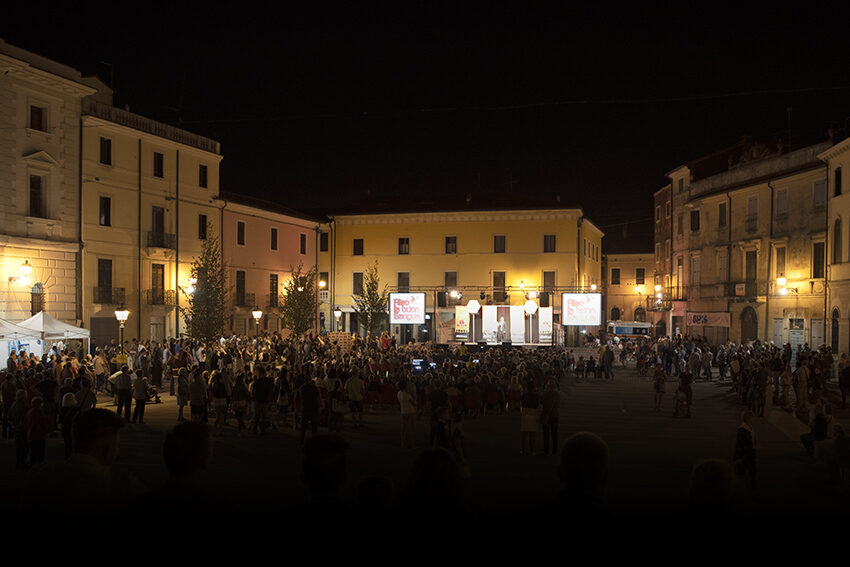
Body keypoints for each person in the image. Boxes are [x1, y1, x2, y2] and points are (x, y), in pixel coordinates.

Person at [733, 410, 757, 496]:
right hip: (746, 454)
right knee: (750, 471)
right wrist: (739, 457)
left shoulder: (749, 427)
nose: (754, 420)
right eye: (752, 418)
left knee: (748, 471)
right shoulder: (743, 430)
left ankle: (748, 486)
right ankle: (749, 488)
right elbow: (740, 444)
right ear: (748, 419)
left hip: (749, 453)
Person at [520, 380, 541, 456]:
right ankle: (532, 450)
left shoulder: (524, 396)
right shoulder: (537, 396)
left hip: (525, 413)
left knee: (524, 434)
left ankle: (523, 450)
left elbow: (522, 404)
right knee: (532, 435)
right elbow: (538, 405)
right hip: (533, 413)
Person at [540, 380, 560, 456]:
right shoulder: (557, 394)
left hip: (546, 415)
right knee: (554, 434)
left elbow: (542, 402)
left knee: (546, 434)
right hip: (555, 415)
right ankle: (554, 450)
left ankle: (546, 450)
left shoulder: (546, 394)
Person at [299, 376, 321, 445]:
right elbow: (318, 397)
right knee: (314, 427)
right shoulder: (314, 388)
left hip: (305, 407)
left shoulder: (302, 388)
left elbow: (300, 397)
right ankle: (314, 441)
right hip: (313, 408)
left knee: (303, 427)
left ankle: (301, 441)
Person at [397, 379, 416, 449]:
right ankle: (412, 444)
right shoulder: (408, 395)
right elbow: (413, 403)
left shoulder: (399, 393)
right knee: (411, 429)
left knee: (403, 429)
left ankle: (403, 443)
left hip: (403, 411)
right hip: (410, 411)